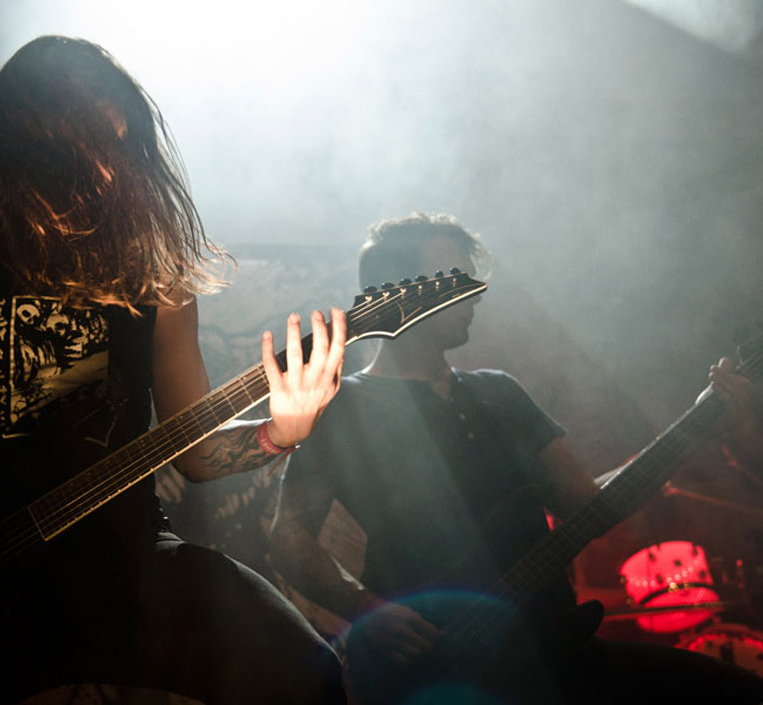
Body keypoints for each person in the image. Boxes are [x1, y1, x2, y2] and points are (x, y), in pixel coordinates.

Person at [0, 36, 348, 704]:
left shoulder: (156, 278)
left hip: (126, 561)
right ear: (28, 140)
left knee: (311, 676)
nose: (112, 169)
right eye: (94, 141)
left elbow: (199, 454)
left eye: (125, 145)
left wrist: (280, 432)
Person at [269, 212, 763, 704]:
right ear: (401, 291)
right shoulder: (343, 408)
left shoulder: (499, 392)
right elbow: (288, 535)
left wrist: (700, 427)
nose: (476, 292)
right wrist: (368, 610)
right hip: (435, 668)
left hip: (552, 649)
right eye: (456, 278)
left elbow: (587, 505)